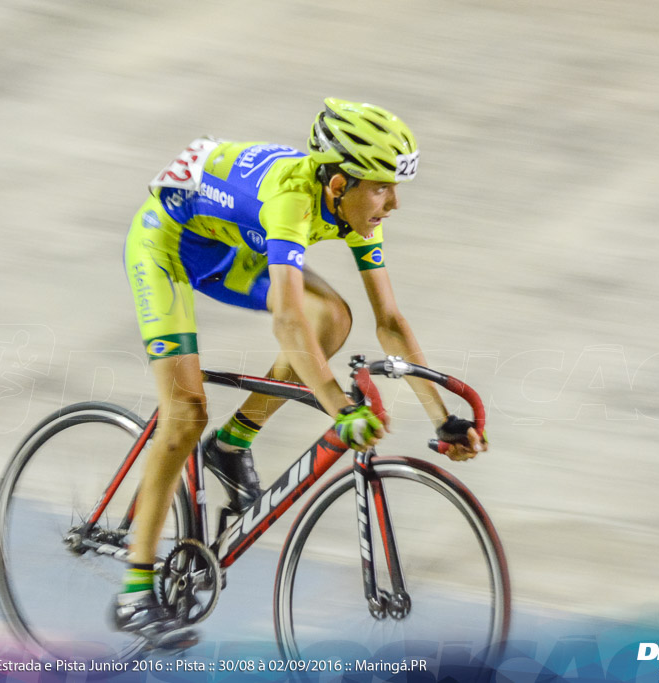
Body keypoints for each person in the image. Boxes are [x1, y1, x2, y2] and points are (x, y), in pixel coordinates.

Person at [115, 98, 488, 641]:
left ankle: (232, 444)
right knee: (186, 412)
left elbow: (389, 321)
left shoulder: (352, 207)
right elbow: (288, 323)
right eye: (382, 187)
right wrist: (339, 408)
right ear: (339, 184)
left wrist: (442, 419)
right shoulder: (292, 201)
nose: (395, 203)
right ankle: (133, 589)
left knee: (334, 317)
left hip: (234, 245)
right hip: (165, 246)